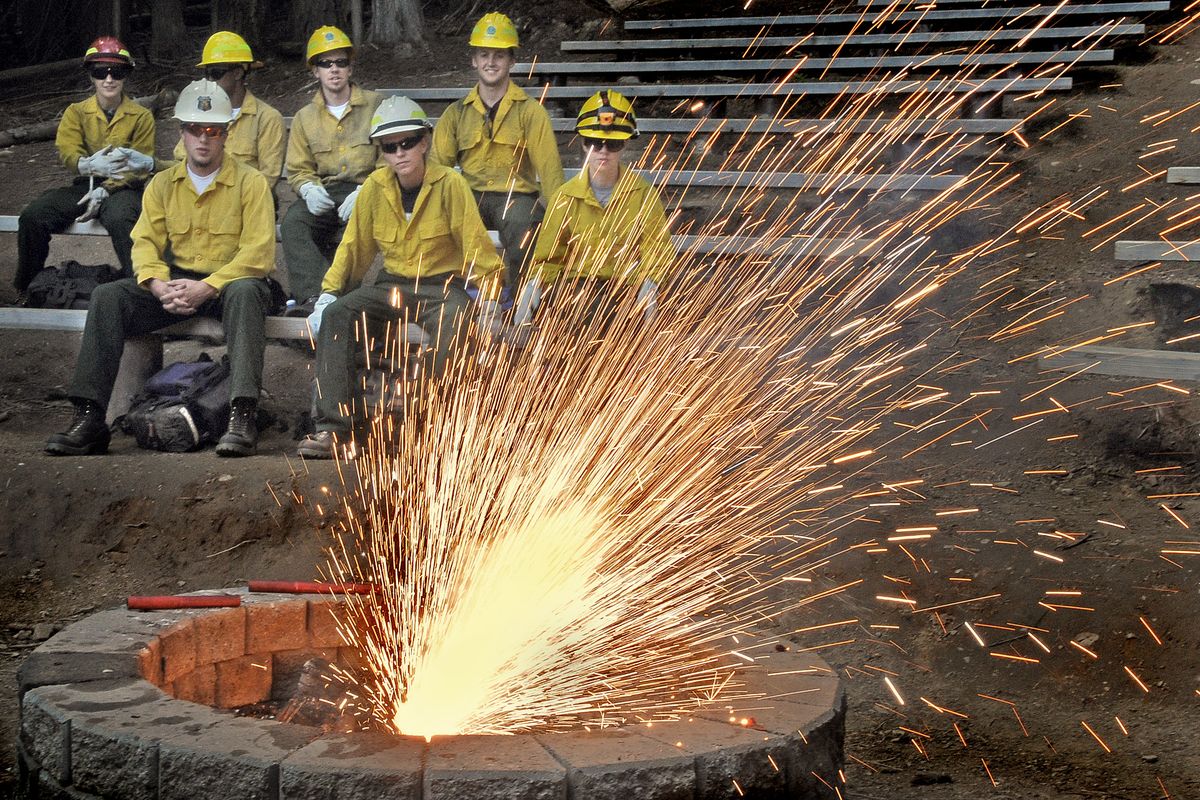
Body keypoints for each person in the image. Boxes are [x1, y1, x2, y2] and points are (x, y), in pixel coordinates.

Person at [45, 81, 276, 458]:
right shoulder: (162, 184)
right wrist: (156, 284)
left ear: (226, 135)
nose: (204, 139)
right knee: (108, 297)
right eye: (194, 129)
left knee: (249, 291)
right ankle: (88, 417)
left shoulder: (251, 183)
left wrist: (210, 286)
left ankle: (242, 413)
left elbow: (258, 253)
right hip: (174, 283)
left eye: (214, 131)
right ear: (181, 132)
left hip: (229, 283)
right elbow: (145, 242)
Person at [296, 96, 504, 460]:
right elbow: (354, 249)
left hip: (442, 287)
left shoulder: (450, 186)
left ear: (425, 141)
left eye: (408, 142)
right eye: (390, 147)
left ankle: (434, 429)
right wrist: (330, 294)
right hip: (391, 284)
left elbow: (478, 248)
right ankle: (336, 430)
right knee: (338, 316)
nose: (400, 153)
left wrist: (489, 297)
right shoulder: (375, 188)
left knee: (457, 322)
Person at [515, 90, 673, 331]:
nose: (603, 151)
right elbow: (549, 256)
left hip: (625, 293)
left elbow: (657, 250)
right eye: (595, 143)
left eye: (612, 143)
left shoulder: (643, 195)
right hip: (574, 294)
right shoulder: (565, 197)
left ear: (624, 145)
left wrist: (650, 282)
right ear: (583, 143)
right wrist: (535, 283)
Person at [431, 12, 563, 296]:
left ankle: (521, 305)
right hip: (469, 196)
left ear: (512, 61)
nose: (491, 62)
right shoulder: (456, 113)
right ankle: (451, 303)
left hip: (515, 198)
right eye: (484, 54)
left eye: (499, 55)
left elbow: (550, 173)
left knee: (524, 229)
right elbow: (436, 168)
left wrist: (561, 220)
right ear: (474, 60)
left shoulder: (530, 111)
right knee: (438, 225)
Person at [15, 37, 155, 294]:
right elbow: (67, 149)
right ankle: (28, 286)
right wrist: (85, 165)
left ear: (127, 75)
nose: (109, 79)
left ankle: (141, 291)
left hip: (124, 188)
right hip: (84, 185)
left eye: (117, 72)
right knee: (34, 216)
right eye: (101, 72)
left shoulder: (141, 116)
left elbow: (140, 166)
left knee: (122, 218)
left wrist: (107, 189)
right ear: (91, 75)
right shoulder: (76, 112)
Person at [281, 25, 383, 315]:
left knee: (357, 228)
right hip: (325, 194)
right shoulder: (304, 118)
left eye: (341, 62)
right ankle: (316, 297)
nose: (334, 69)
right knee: (293, 222)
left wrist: (368, 190)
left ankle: (339, 302)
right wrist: (308, 189)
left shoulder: (376, 105)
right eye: (325, 63)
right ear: (315, 71)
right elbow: (299, 169)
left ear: (350, 68)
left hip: (368, 192)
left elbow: (389, 160)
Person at [166, 31, 285, 189]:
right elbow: (180, 160)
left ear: (237, 73)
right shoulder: (199, 113)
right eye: (207, 73)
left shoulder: (267, 118)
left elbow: (267, 179)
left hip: (244, 203)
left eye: (216, 73)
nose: (209, 80)